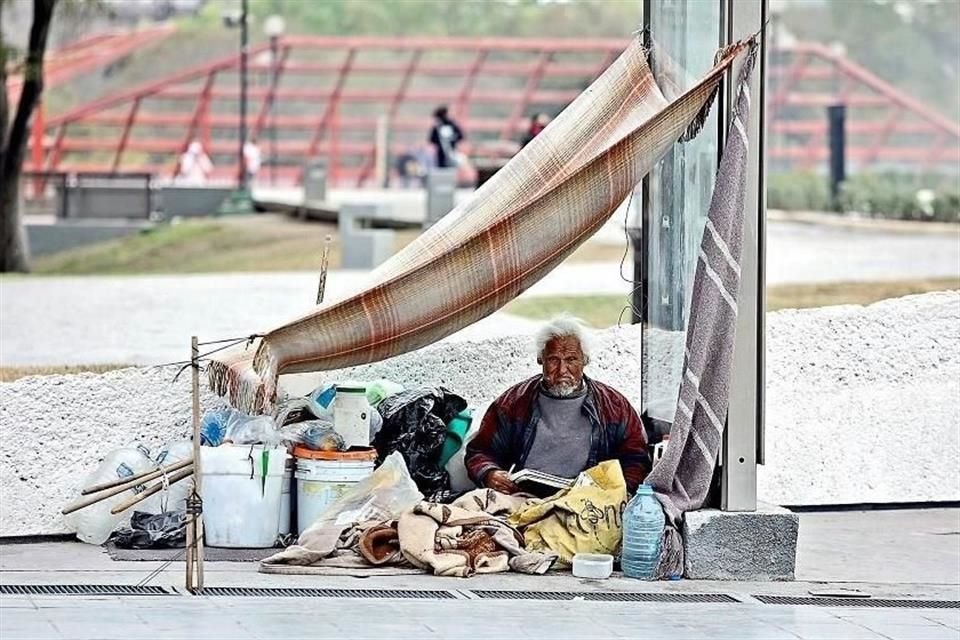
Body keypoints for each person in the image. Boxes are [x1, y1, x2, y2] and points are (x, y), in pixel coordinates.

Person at [465, 315, 651, 495]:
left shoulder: (614, 406)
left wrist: (620, 495)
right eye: (554, 360)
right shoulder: (513, 402)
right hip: (523, 498)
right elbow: (480, 451)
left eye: (571, 360)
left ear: (584, 360)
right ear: (541, 359)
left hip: (586, 504)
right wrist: (490, 474)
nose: (562, 370)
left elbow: (636, 459)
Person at [428, 105, 464, 169]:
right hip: (446, 153)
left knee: (447, 170)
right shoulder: (450, 125)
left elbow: (431, 140)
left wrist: (449, 140)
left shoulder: (442, 126)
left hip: (448, 153)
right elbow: (431, 140)